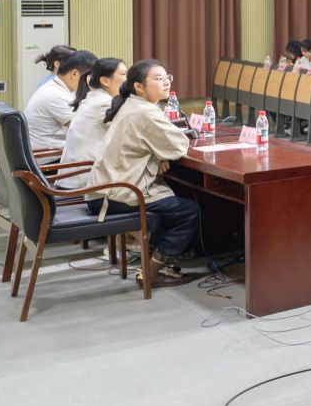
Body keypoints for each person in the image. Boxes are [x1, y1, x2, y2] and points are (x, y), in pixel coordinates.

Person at [90, 59, 203, 286]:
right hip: (117, 193)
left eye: (167, 78)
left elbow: (162, 144)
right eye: (158, 79)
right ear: (139, 87)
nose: (166, 83)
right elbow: (179, 145)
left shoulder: (133, 105)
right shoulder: (145, 112)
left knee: (171, 202)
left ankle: (153, 262)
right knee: (188, 211)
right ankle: (152, 273)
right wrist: (161, 153)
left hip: (104, 188)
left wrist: (159, 154)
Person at [58, 55, 124, 187]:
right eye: (124, 74)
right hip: (85, 182)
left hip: (73, 178)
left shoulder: (93, 99)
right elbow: (130, 135)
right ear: (105, 81)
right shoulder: (104, 103)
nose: (129, 79)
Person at [26, 48, 94, 150]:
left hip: (49, 149)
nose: (89, 81)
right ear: (74, 73)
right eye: (88, 77)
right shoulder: (56, 95)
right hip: (49, 155)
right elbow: (83, 130)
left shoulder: (55, 87)